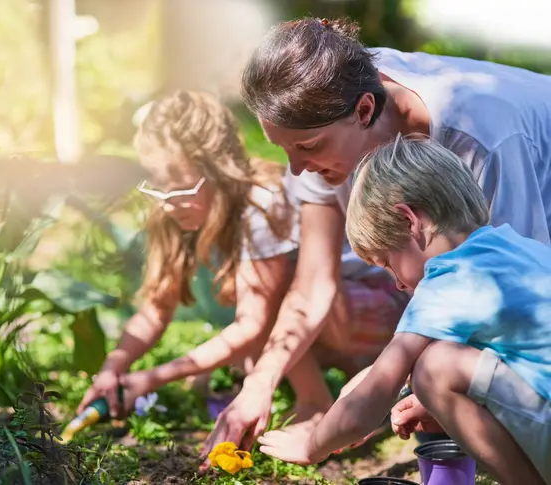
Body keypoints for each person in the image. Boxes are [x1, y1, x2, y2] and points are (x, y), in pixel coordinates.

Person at [202, 15, 551, 459]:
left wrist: (381, 388)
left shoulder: (483, 140)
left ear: (365, 110)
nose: (295, 169)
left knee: (446, 368)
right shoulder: (326, 93)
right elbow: (312, 286)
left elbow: (506, 304)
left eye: (307, 148)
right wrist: (260, 381)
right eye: (283, 149)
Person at [258, 136, 551, 485]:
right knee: (433, 366)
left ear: (410, 221)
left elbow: (371, 399)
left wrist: (312, 444)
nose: (397, 283)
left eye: (387, 262)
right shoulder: (514, 248)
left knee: (434, 368)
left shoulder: (450, 278)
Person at [77, 90, 305, 417]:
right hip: (289, 334)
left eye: (181, 188)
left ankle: (316, 404)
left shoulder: (262, 202)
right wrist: (114, 366)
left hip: (354, 314)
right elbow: (157, 306)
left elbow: (255, 324)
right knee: (236, 360)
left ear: (219, 171)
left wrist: (154, 377)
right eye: (157, 186)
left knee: (260, 333)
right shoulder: (172, 209)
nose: (167, 202)